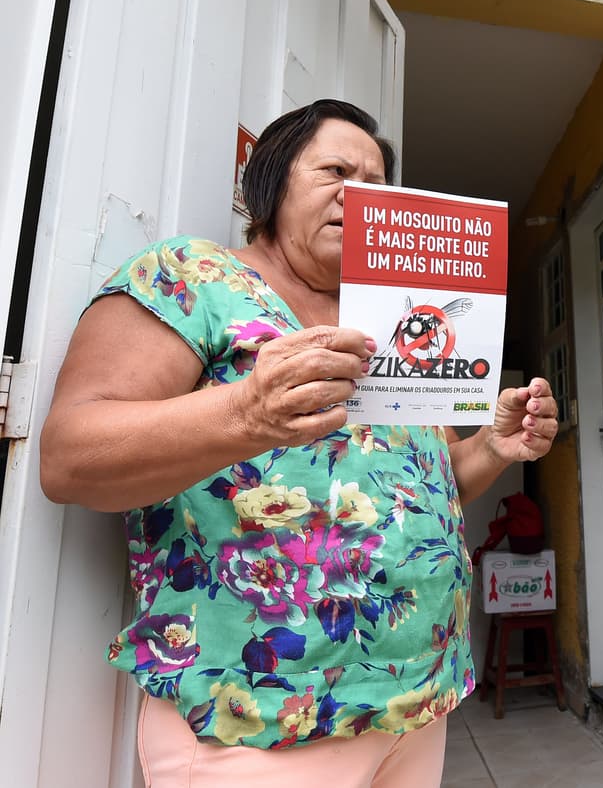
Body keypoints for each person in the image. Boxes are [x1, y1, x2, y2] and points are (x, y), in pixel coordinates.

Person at [39, 99, 557, 787]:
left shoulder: (395, 319)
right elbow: (69, 457)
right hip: (259, 722)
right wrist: (247, 412)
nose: (361, 194)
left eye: (377, 184)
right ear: (271, 186)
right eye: (337, 170)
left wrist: (495, 445)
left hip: (415, 699)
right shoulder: (197, 277)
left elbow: (437, 482)